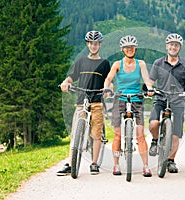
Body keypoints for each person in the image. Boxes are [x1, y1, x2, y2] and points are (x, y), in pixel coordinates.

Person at [57, 31, 111, 176]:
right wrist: (65, 83)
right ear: (88, 44)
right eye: (91, 43)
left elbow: (109, 81)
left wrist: (108, 89)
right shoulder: (81, 61)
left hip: (97, 101)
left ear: (100, 45)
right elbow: (71, 77)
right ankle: (70, 163)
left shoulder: (104, 63)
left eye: (96, 43)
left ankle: (94, 163)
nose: (93, 46)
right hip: (81, 101)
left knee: (96, 134)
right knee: (75, 133)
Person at [104, 35, 153, 177]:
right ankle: (116, 165)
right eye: (126, 47)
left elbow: (147, 79)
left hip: (136, 99)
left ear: (135, 49)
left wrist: (149, 89)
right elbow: (108, 78)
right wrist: (107, 88)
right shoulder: (117, 64)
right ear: (122, 49)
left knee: (140, 136)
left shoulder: (141, 64)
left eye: (132, 47)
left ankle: (145, 166)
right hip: (120, 98)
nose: (129, 49)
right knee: (117, 135)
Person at [148, 33, 185, 173]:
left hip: (177, 99)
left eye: (176, 45)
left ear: (179, 47)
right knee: (153, 123)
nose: (173, 47)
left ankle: (171, 161)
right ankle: (155, 141)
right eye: (171, 44)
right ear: (166, 46)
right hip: (161, 98)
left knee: (176, 134)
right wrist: (150, 89)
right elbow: (150, 81)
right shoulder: (158, 63)